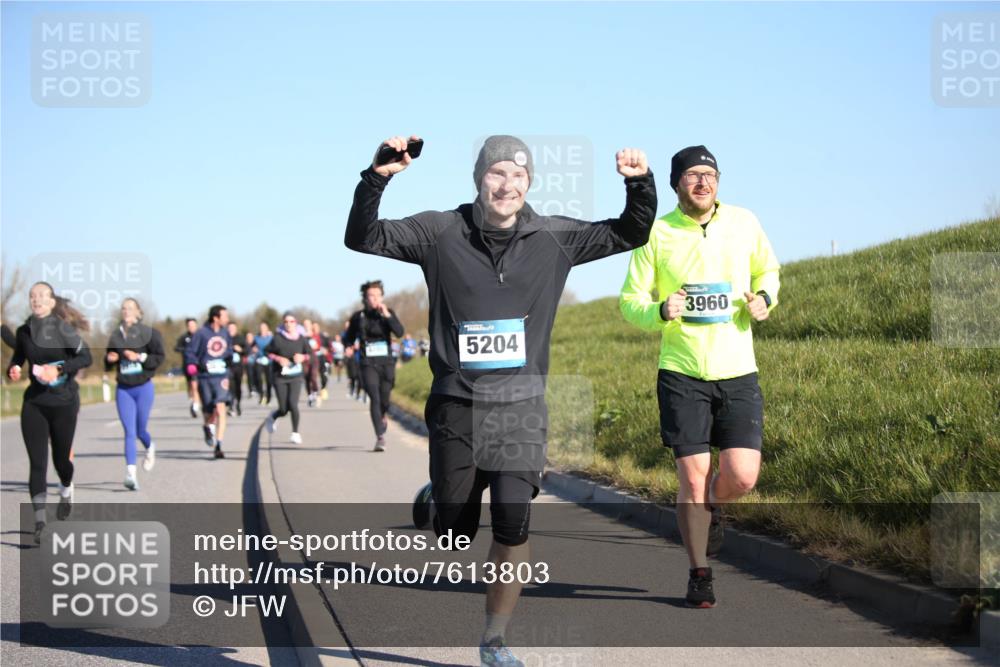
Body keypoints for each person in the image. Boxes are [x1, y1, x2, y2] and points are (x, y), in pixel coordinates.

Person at [346, 134, 656, 665]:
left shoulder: (554, 236)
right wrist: (377, 177)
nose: (506, 184)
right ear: (479, 179)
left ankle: (494, 640)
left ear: (529, 183)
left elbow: (630, 231)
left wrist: (639, 184)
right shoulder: (440, 232)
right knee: (454, 533)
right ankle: (439, 495)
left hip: (520, 405)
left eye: (517, 175)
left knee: (513, 521)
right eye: (496, 173)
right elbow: (363, 236)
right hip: (457, 403)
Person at [619, 145, 779, 608]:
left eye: (710, 174)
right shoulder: (658, 232)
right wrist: (658, 311)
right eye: (692, 175)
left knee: (742, 476)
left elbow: (769, 269)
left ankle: (715, 503)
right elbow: (630, 300)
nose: (703, 182)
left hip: (738, 370)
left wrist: (765, 298)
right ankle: (699, 573)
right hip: (682, 372)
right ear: (676, 185)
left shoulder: (744, 222)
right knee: (690, 480)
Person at [6, 282, 93, 542]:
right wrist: (13, 370)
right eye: (32, 296)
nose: (37, 299)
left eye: (42, 296)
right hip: (35, 403)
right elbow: (18, 357)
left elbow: (85, 358)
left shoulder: (62, 329)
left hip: (64, 402)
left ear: (52, 302)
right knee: (37, 463)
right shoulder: (24, 331)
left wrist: (59, 369)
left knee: (61, 462)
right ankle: (40, 522)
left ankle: (66, 488)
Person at [104, 298, 165, 490]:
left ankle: (150, 447)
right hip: (123, 389)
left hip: (143, 387)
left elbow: (159, 357)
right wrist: (110, 358)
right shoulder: (115, 336)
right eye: (123, 308)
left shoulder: (149, 333)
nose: (126, 311)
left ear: (139, 312)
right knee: (129, 432)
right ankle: (131, 473)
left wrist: (140, 357)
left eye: (130, 308)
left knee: (140, 430)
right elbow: (108, 361)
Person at [344, 280, 404, 452]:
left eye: (378, 295)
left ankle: (383, 414)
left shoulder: (388, 313)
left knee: (385, 398)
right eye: (371, 295)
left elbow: (399, 332)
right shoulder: (358, 317)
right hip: (367, 362)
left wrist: (388, 316)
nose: (375, 298)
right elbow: (348, 337)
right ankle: (380, 437)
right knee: (374, 398)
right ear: (365, 298)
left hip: (386, 362)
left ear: (382, 297)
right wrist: (349, 346)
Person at [184, 305, 232, 459]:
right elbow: (190, 351)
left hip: (221, 376)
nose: (227, 319)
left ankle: (218, 445)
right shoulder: (201, 334)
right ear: (216, 317)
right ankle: (207, 427)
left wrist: (231, 358)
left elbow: (228, 350)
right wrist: (192, 364)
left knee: (221, 408)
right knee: (209, 413)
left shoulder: (225, 333)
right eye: (225, 316)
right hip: (205, 377)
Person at [264, 312, 310, 444]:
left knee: (293, 404)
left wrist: (302, 357)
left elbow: (310, 355)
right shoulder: (278, 338)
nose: (289, 324)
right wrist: (278, 358)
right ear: (283, 324)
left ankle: (295, 433)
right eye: (286, 322)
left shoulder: (301, 338)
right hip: (280, 376)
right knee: (284, 409)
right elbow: (267, 351)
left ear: (296, 323)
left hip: (296, 376)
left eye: (291, 321)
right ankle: (273, 416)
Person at [174, 318, 201, 418]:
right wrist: (185, 350)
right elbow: (176, 347)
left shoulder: (200, 336)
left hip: (199, 365)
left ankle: (195, 405)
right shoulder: (184, 337)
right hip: (187, 365)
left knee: (195, 386)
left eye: (193, 325)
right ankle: (194, 400)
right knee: (190, 386)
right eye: (189, 326)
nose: (191, 327)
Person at [226, 322, 245, 417]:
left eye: (233, 328)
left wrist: (240, 350)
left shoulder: (240, 338)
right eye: (229, 328)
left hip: (239, 367)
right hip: (228, 366)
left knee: (238, 387)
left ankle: (238, 404)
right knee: (230, 387)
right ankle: (231, 406)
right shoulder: (225, 338)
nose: (231, 330)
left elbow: (247, 350)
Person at [254, 322, 274, 405]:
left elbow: (275, 348)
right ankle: (261, 395)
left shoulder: (271, 338)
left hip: (268, 360)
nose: (262, 329)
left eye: (264, 327)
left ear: (267, 328)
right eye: (261, 327)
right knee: (258, 378)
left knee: (269, 380)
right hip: (259, 360)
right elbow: (251, 347)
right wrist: (254, 349)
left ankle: (269, 396)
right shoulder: (256, 338)